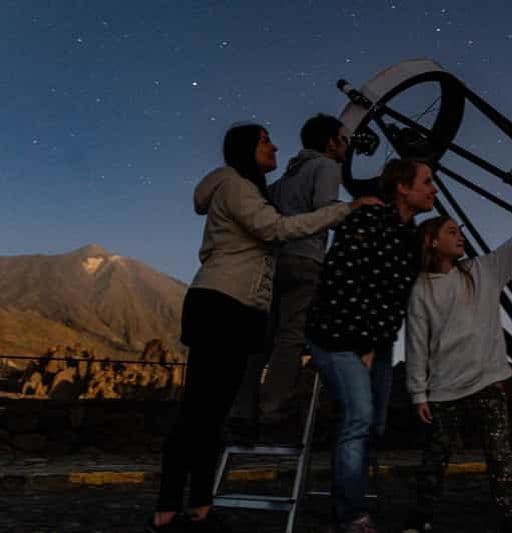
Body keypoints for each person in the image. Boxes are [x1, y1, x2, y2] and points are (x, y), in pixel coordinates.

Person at [148, 123, 381, 532]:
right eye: (264, 140)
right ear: (244, 148)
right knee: (198, 413)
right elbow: (276, 229)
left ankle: (199, 507)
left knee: (213, 414)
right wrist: (346, 209)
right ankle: (166, 512)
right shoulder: (235, 186)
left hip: (238, 307)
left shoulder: (256, 190)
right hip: (221, 303)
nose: (274, 146)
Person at [402, 204, 512, 533]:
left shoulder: (482, 271)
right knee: (435, 459)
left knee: (499, 456)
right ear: (431, 241)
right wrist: (418, 393)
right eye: (451, 232)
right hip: (444, 388)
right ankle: (420, 518)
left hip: (487, 382)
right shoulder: (421, 289)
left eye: (460, 231)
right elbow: (416, 344)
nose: (460, 236)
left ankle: (511, 520)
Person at [305, 158, 438, 533]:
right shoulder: (368, 219)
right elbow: (342, 280)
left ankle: (347, 497)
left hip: (376, 340)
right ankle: (353, 515)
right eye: (427, 181)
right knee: (359, 418)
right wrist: (362, 341)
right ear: (402, 187)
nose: (434, 189)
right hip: (338, 334)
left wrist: (374, 342)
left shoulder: (409, 237)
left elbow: (394, 301)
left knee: (373, 425)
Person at [259, 113, 349, 423]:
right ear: (330, 143)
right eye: (343, 139)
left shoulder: (285, 178)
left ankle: (243, 407)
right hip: (305, 260)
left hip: (276, 261)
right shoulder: (326, 166)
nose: (347, 146)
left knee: (265, 338)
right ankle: (271, 409)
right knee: (292, 336)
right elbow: (327, 210)